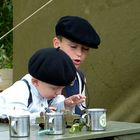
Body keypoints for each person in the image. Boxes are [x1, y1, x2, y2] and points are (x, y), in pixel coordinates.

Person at [0, 48, 86, 124]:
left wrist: (65, 104)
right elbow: (16, 116)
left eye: (62, 88)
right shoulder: (20, 91)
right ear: (35, 82)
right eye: (54, 88)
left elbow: (54, 107)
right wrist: (40, 116)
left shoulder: (45, 91)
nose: (58, 93)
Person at [53, 16, 101, 115]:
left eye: (85, 49)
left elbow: (80, 110)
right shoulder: (39, 77)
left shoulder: (80, 77)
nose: (79, 53)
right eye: (73, 47)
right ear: (57, 43)